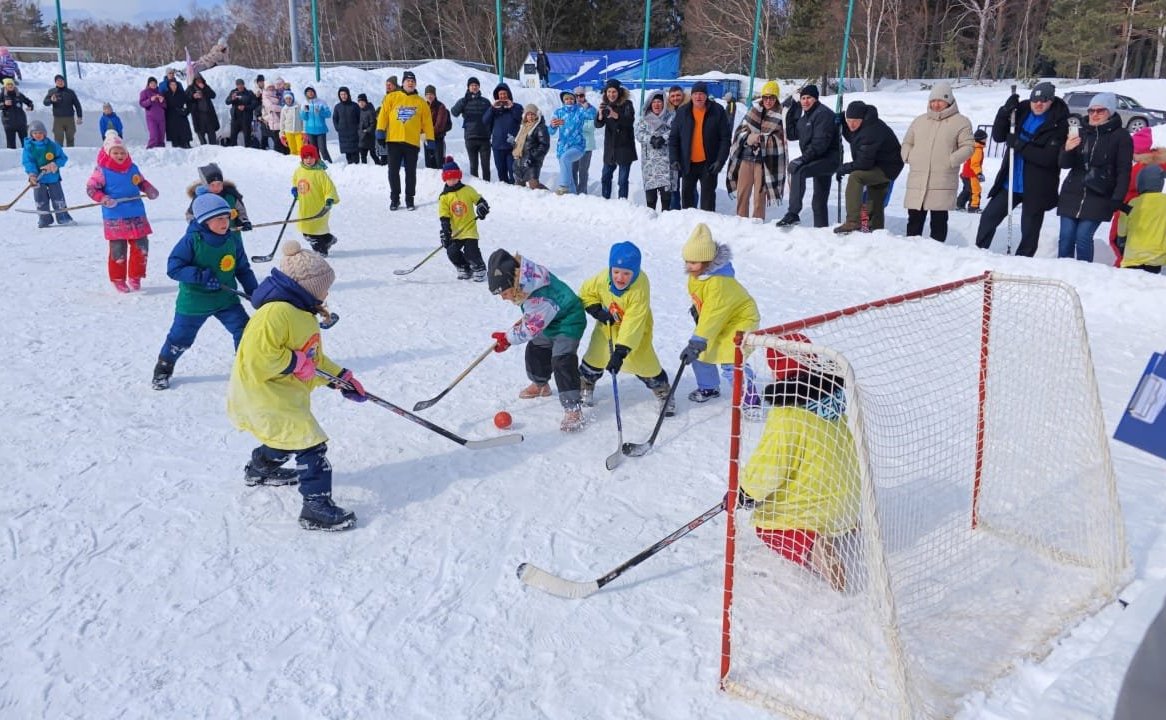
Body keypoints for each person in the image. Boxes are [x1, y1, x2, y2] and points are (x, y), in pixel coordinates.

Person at [226, 239, 364, 531]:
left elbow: (314, 358)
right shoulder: (275, 313)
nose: (327, 294)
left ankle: (259, 469)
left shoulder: (301, 313)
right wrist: (294, 362)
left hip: (282, 394)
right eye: (324, 287)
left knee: (286, 437)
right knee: (310, 443)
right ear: (308, 287)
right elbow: (256, 357)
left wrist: (342, 379)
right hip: (263, 395)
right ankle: (316, 508)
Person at [738, 368, 859, 591]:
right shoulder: (833, 401)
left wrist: (747, 492)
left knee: (767, 527)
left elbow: (771, 464)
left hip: (816, 508)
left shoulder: (788, 414)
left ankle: (817, 551)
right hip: (850, 499)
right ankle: (849, 524)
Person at [152, 188, 259, 391]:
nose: (224, 222)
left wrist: (255, 292)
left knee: (245, 330)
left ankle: (245, 366)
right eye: (218, 218)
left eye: (226, 217)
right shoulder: (192, 241)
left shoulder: (232, 240)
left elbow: (243, 268)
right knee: (180, 338)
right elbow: (173, 267)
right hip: (194, 301)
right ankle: (163, 368)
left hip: (225, 298)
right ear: (203, 221)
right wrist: (200, 276)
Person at [487, 248, 587, 432]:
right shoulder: (526, 280)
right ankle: (541, 385)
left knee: (562, 360)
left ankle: (573, 409)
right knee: (536, 350)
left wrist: (507, 339)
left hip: (569, 321)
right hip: (549, 320)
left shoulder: (538, 294)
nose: (503, 298)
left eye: (504, 292)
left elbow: (530, 328)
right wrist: (513, 333)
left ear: (513, 281)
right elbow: (533, 318)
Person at [577, 241, 675, 417]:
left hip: (635, 330)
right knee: (595, 356)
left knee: (644, 362)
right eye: (615, 272)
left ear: (635, 272)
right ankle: (586, 383)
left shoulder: (640, 288)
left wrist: (621, 352)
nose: (619, 277)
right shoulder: (602, 278)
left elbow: (633, 322)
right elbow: (586, 292)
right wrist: (595, 309)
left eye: (626, 273)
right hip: (608, 326)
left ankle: (663, 391)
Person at [974, 82, 1070, 256]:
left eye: (1044, 100)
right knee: (989, 216)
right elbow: (998, 136)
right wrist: (1004, 112)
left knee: (1030, 229)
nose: (1038, 104)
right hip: (1011, 181)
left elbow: (1048, 158)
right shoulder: (1022, 111)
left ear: (1052, 100)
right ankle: (979, 253)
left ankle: (1022, 261)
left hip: (1037, 186)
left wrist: (1019, 144)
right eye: (1035, 100)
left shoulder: (1059, 123)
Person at [679, 223, 760, 404]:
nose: (689, 266)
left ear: (707, 261)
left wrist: (698, 340)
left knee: (731, 359)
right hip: (721, 319)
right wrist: (696, 310)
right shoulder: (697, 277)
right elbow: (705, 303)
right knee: (701, 354)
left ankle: (750, 398)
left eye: (693, 262)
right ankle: (709, 387)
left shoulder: (719, 282)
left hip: (740, 320)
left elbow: (713, 313)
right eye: (687, 261)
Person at [1056, 92, 1132, 262]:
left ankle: (1084, 276)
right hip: (1072, 192)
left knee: (1083, 237)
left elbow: (1124, 170)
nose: (1095, 115)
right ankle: (1062, 275)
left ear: (1110, 112)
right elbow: (1064, 164)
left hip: (1099, 194)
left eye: (1100, 111)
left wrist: (1117, 198)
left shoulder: (1121, 136)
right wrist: (1067, 149)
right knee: (1066, 237)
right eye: (1091, 111)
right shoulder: (1081, 133)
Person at [85, 130, 160, 293]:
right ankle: (118, 278)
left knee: (141, 247)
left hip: (136, 213)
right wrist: (103, 198)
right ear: (108, 153)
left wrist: (148, 189)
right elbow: (91, 189)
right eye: (116, 152)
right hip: (115, 216)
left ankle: (135, 276)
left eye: (122, 152)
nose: (120, 155)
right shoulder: (102, 171)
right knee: (118, 249)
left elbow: (141, 182)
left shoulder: (132, 168)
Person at [900, 82, 973, 243]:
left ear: (949, 101)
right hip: (918, 178)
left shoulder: (961, 122)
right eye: (933, 100)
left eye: (940, 100)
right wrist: (908, 156)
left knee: (939, 220)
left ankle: (937, 252)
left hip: (942, 178)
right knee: (914, 218)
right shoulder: (919, 121)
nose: (936, 104)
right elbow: (907, 142)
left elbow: (968, 147)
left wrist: (951, 160)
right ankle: (910, 249)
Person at [832, 100, 902, 234]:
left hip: (887, 167)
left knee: (856, 177)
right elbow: (855, 137)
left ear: (862, 119)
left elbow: (863, 163)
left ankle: (853, 221)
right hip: (879, 163)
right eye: (849, 120)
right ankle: (877, 230)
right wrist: (842, 122)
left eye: (855, 120)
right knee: (875, 199)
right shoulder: (865, 124)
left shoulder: (872, 131)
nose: (851, 124)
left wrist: (843, 168)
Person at [776, 84, 840, 228]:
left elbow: (820, 144)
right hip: (816, 159)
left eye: (809, 98)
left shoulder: (823, 114)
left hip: (828, 159)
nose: (805, 101)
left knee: (799, 170)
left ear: (816, 99)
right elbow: (792, 134)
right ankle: (821, 230)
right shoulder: (806, 117)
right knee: (818, 202)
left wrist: (801, 160)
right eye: (803, 98)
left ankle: (793, 213)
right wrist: (793, 110)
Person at [726, 80, 788, 222]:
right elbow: (740, 131)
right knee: (743, 194)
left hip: (764, 162)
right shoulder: (753, 111)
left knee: (759, 198)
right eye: (765, 97)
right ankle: (740, 222)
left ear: (776, 99)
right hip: (746, 159)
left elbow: (780, 141)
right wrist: (748, 137)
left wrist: (762, 139)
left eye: (771, 98)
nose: (768, 101)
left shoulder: (780, 116)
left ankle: (757, 224)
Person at [375, 70, 435, 211]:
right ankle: (395, 199)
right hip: (394, 140)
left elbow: (427, 123)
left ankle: (410, 199)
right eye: (408, 80)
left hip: (412, 142)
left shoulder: (421, 102)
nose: (410, 83)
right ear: (402, 83)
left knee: (410, 172)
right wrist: (380, 133)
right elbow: (383, 115)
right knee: (393, 171)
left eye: (413, 81)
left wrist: (430, 141)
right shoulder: (392, 97)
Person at [669, 81, 731, 211]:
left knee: (708, 201)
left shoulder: (717, 111)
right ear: (691, 96)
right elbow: (674, 138)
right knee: (687, 200)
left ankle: (707, 225)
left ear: (706, 96)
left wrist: (720, 161)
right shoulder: (682, 112)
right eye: (696, 94)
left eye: (702, 94)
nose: (698, 97)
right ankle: (688, 226)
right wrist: (674, 159)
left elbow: (725, 138)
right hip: (688, 164)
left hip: (709, 164)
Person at [1110, 127, 1165, 265]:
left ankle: (1125, 261)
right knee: (1116, 237)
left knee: (1122, 236)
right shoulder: (1131, 163)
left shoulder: (1147, 165)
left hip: (1134, 207)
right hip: (1124, 205)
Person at [438, 156, 490, 281]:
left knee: (471, 251)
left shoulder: (467, 190)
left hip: (469, 229)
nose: (452, 180)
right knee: (452, 252)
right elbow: (444, 216)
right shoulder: (444, 197)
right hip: (455, 232)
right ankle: (464, 267)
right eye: (449, 178)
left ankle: (479, 267)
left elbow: (480, 200)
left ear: (459, 176)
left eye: (455, 177)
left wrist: (482, 207)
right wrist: (446, 231)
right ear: (445, 179)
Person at [22, 120, 74, 228]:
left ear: (44, 133)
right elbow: (28, 161)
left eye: (40, 133)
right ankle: (44, 219)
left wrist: (54, 164)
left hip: (52, 178)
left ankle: (63, 217)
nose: (38, 135)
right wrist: (32, 174)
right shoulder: (29, 148)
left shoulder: (53, 146)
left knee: (58, 198)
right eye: (35, 133)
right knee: (40, 200)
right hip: (38, 179)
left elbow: (63, 158)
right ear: (31, 134)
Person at [291, 144, 339, 256]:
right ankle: (328, 239)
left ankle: (320, 251)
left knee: (310, 232)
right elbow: (295, 180)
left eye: (311, 157)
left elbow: (329, 188)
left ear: (316, 158)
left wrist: (330, 199)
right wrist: (294, 188)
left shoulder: (320, 173)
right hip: (305, 206)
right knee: (310, 228)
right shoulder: (299, 170)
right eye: (306, 157)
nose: (308, 160)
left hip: (318, 207)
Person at [594, 79, 638, 200]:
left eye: (614, 92)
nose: (611, 94)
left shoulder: (627, 104)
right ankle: (605, 201)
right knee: (605, 177)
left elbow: (630, 121)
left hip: (624, 146)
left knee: (622, 180)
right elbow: (598, 125)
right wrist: (600, 115)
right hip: (610, 147)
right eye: (609, 92)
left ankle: (622, 203)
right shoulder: (604, 104)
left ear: (619, 92)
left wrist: (616, 115)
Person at [633, 91, 676, 212]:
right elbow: (638, 133)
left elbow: (675, 132)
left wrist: (663, 138)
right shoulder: (644, 119)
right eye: (654, 102)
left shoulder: (670, 117)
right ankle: (650, 219)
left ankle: (665, 220)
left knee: (666, 197)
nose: (657, 105)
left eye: (659, 102)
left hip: (665, 163)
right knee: (651, 197)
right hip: (649, 164)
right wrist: (651, 139)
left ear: (664, 104)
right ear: (650, 104)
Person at [1120, 164, 1166, 274]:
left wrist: (1122, 244)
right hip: (1156, 257)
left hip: (1132, 256)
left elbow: (1121, 232)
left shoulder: (1131, 203)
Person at [184, 163, 251, 232]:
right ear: (205, 185)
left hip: (232, 235)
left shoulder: (230, 196)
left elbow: (241, 211)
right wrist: (200, 227)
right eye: (212, 185)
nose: (216, 188)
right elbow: (190, 215)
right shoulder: (200, 200)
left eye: (219, 184)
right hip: (209, 237)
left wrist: (244, 221)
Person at [450, 77, 492, 181]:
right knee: (473, 166)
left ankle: (489, 187)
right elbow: (454, 112)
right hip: (470, 137)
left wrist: (490, 131)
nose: (474, 87)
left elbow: (491, 117)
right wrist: (463, 101)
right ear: (468, 87)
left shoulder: (485, 102)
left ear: (479, 87)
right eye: (472, 85)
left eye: (476, 85)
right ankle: (476, 187)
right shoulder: (463, 101)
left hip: (484, 138)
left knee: (486, 166)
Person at [482, 83, 524, 184]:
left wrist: (511, 107)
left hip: (512, 147)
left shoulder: (517, 107)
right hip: (497, 146)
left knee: (513, 171)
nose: (502, 96)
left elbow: (520, 118)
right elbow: (485, 120)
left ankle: (516, 192)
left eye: (504, 94)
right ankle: (505, 193)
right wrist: (492, 108)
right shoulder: (494, 109)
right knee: (501, 172)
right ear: (497, 96)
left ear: (508, 94)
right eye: (500, 94)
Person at [548, 89, 587, 194]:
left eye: (571, 98)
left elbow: (592, 115)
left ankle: (563, 186)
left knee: (565, 159)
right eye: (566, 99)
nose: (569, 101)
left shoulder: (580, 110)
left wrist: (586, 105)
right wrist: (553, 125)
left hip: (577, 146)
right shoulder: (558, 112)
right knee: (568, 173)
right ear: (563, 101)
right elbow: (551, 132)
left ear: (574, 100)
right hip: (562, 147)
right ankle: (572, 197)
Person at [513, 103, 550, 190]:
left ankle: (551, 197)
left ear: (537, 115)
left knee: (534, 185)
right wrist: (513, 143)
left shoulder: (540, 127)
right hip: (520, 160)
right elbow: (523, 142)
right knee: (519, 185)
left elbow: (544, 145)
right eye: (528, 114)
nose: (530, 116)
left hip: (532, 160)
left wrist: (533, 157)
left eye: (532, 114)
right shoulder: (523, 126)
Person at [43, 74, 82, 147]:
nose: (60, 82)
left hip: (69, 119)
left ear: (64, 82)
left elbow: (77, 105)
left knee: (70, 138)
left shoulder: (70, 92)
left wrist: (79, 116)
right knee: (58, 139)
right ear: (55, 82)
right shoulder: (52, 91)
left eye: (61, 80)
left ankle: (71, 154)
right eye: (58, 81)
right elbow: (45, 102)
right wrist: (51, 100)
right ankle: (59, 155)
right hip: (58, 119)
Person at [665, 85, 687, 209]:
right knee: (674, 186)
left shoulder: (689, 109)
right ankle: (674, 213)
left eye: (678, 95)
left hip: (688, 154)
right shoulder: (668, 112)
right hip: (673, 155)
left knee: (689, 187)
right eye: (672, 96)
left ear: (683, 95)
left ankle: (690, 211)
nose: (675, 98)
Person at [957, 129, 987, 213]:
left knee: (967, 189)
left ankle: (959, 204)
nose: (986, 140)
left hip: (966, 173)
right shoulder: (977, 149)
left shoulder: (973, 147)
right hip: (972, 175)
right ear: (981, 139)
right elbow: (974, 164)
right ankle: (973, 207)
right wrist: (979, 174)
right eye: (985, 138)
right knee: (976, 190)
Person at [575, 86, 598, 195]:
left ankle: (582, 192)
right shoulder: (571, 109)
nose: (579, 98)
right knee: (572, 170)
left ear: (584, 96)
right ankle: (573, 190)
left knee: (583, 171)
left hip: (586, 145)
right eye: (577, 95)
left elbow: (592, 127)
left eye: (581, 95)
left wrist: (577, 125)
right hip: (573, 145)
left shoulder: (592, 109)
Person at [300, 86, 333, 161]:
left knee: (323, 149)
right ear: (306, 94)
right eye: (308, 92)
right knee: (314, 149)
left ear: (314, 92)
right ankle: (318, 163)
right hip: (310, 131)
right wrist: (304, 112)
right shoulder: (305, 103)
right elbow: (304, 118)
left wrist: (320, 112)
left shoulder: (321, 102)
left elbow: (328, 114)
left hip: (321, 130)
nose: (310, 93)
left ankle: (329, 164)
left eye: (311, 91)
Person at [424, 84, 452, 169]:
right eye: (427, 94)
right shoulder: (423, 106)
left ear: (435, 95)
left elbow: (439, 125)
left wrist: (428, 133)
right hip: (426, 140)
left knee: (439, 164)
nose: (429, 96)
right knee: (429, 166)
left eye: (431, 94)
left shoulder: (441, 107)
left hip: (438, 140)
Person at [1, 77, 34, 149]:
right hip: (9, 123)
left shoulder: (19, 94)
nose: (10, 86)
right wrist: (4, 105)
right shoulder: (2, 95)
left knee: (25, 143)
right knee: (11, 145)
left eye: (11, 84)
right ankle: (11, 159)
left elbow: (29, 102)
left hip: (21, 123)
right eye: (8, 84)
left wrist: (31, 106)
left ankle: (27, 158)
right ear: (5, 86)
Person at [188, 74, 220, 146]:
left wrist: (204, 89)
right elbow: (185, 98)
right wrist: (193, 96)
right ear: (194, 81)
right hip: (198, 115)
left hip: (208, 114)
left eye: (200, 80)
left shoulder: (206, 86)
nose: (199, 81)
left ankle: (214, 148)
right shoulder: (190, 88)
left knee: (211, 133)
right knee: (201, 134)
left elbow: (213, 95)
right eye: (197, 80)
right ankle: (204, 150)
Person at [332, 86, 361, 164]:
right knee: (348, 155)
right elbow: (335, 118)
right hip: (343, 134)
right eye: (341, 94)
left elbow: (360, 118)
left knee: (355, 154)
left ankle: (357, 170)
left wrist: (358, 128)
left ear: (348, 94)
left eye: (345, 94)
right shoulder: (337, 107)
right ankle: (350, 170)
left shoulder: (354, 106)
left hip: (354, 134)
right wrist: (338, 128)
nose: (343, 96)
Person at [225, 78, 257, 148]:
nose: (240, 86)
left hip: (246, 119)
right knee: (233, 137)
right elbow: (227, 101)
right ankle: (234, 153)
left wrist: (245, 107)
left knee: (247, 138)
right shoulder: (233, 92)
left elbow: (254, 104)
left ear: (243, 85)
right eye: (238, 85)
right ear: (236, 86)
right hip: (235, 118)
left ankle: (248, 152)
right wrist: (232, 99)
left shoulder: (249, 93)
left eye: (241, 85)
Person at [162, 78, 193, 149]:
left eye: (175, 84)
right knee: (174, 136)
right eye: (172, 85)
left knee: (184, 132)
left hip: (181, 116)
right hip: (171, 117)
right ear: (169, 86)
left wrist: (186, 111)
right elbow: (163, 105)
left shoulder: (182, 93)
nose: (173, 86)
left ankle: (186, 144)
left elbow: (189, 103)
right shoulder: (166, 94)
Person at [259, 75, 286, 152]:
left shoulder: (276, 94)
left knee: (282, 140)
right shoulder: (265, 97)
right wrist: (283, 109)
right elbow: (271, 107)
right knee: (277, 141)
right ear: (266, 88)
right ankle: (278, 156)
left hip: (280, 121)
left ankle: (284, 155)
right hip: (274, 123)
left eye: (272, 86)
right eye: (269, 87)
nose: (271, 88)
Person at [139, 77, 167, 149]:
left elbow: (165, 105)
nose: (153, 85)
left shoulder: (160, 92)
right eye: (151, 83)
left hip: (161, 117)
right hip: (151, 117)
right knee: (154, 135)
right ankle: (150, 148)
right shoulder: (144, 92)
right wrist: (150, 100)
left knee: (161, 135)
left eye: (154, 83)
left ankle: (161, 149)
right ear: (148, 84)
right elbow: (142, 103)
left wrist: (162, 101)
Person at [279, 89, 304, 156]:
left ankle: (301, 161)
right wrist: (281, 134)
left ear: (292, 99)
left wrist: (304, 131)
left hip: (298, 131)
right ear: (284, 100)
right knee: (292, 149)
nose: (288, 100)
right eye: (286, 99)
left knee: (301, 148)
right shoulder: (284, 109)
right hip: (288, 132)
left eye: (290, 98)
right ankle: (293, 162)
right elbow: (282, 122)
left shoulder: (298, 106)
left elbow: (303, 119)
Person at [356, 93, 379, 164]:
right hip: (362, 137)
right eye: (359, 102)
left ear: (365, 102)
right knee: (363, 155)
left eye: (362, 102)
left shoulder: (370, 111)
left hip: (369, 137)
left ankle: (380, 166)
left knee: (373, 154)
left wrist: (367, 130)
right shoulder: (360, 111)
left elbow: (373, 124)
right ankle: (364, 169)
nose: (361, 103)